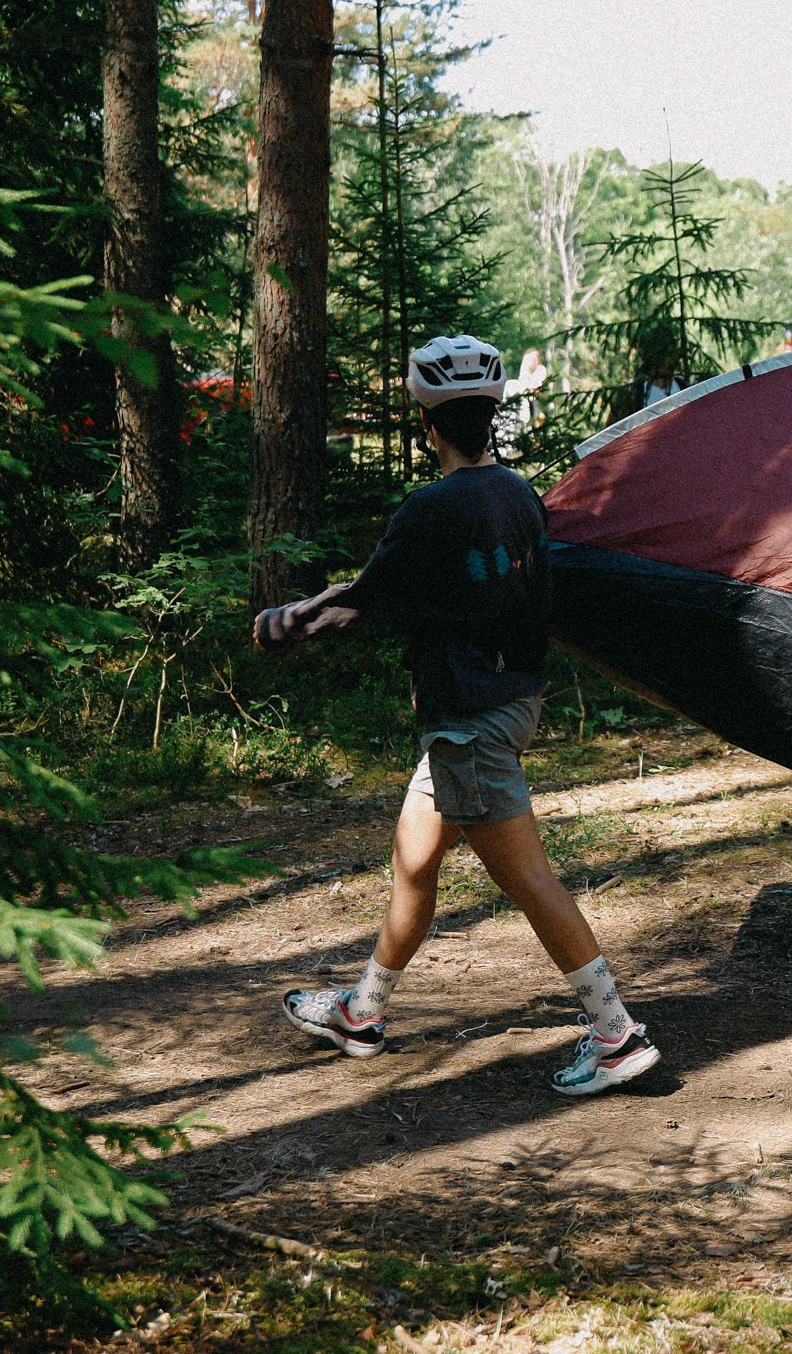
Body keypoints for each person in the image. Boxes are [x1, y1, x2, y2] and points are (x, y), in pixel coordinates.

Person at [253, 335, 662, 1098]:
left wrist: (287, 623)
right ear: (490, 416)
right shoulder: (518, 495)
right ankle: (363, 1014)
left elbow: (367, 598)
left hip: (470, 723)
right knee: (414, 865)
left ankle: (616, 1035)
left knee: (530, 879)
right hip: (500, 709)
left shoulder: (430, 508)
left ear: (426, 423)